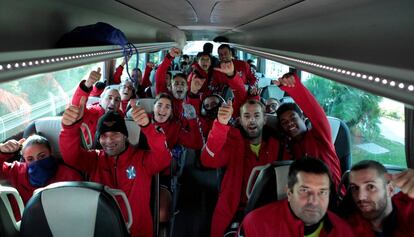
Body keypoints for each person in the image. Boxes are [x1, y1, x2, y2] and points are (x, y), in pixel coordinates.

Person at [59, 96, 172, 237]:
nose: (109, 140)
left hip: (137, 231)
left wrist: (147, 128)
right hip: (103, 229)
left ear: (125, 136)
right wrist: (69, 129)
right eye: (104, 135)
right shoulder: (94, 159)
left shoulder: (141, 159)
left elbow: (164, 158)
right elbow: (71, 156)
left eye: (115, 134)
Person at [200, 99, 287, 237]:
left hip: (269, 212)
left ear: (264, 120)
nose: (252, 120)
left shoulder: (279, 147)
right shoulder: (232, 142)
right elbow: (208, 160)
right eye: (246, 116)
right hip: (235, 211)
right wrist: (221, 125)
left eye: (257, 116)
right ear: (240, 120)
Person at [239, 157, 354, 237]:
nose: (314, 201)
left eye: (322, 192)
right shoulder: (255, 224)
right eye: (304, 190)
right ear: (289, 193)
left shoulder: (343, 231)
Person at [274, 73, 342, 188]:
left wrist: (295, 88)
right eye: (284, 122)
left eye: (293, 118)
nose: (289, 123)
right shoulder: (289, 148)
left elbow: (316, 114)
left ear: (302, 118)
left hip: (334, 196)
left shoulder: (320, 136)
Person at [0, 135, 82, 211]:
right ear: (24, 160)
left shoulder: (69, 176)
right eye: (30, 159)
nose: (37, 162)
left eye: (42, 156)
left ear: (51, 152)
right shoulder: (16, 171)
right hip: (19, 223)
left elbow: (79, 204)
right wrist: (2, 151)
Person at [341, 160, 414, 236]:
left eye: (371, 186)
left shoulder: (410, 211)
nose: (360, 197)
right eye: (355, 188)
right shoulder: (347, 228)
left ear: (390, 190)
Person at [71, 68, 124, 141]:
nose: (113, 102)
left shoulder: (120, 115)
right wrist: (87, 85)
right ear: (101, 100)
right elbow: (76, 107)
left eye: (117, 100)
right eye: (109, 98)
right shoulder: (91, 112)